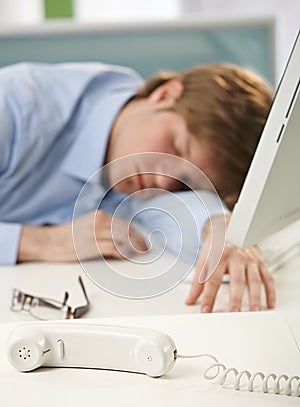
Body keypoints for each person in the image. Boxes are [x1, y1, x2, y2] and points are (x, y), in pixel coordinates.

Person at [0, 60, 275, 312]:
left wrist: (223, 227)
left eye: (185, 183)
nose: (164, 181)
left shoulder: (139, 158)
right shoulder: (16, 104)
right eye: (176, 148)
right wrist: (38, 242)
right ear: (165, 95)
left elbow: (179, 213)